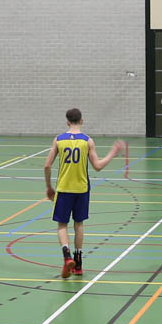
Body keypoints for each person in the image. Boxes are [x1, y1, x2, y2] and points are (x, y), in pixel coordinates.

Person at [42, 107, 125, 278]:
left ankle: (67, 257)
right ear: (82, 121)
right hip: (82, 189)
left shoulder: (58, 140)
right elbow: (98, 166)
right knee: (78, 224)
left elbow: (47, 165)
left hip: (64, 188)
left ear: (67, 122)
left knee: (62, 225)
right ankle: (78, 263)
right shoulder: (88, 141)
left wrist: (49, 186)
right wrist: (112, 153)